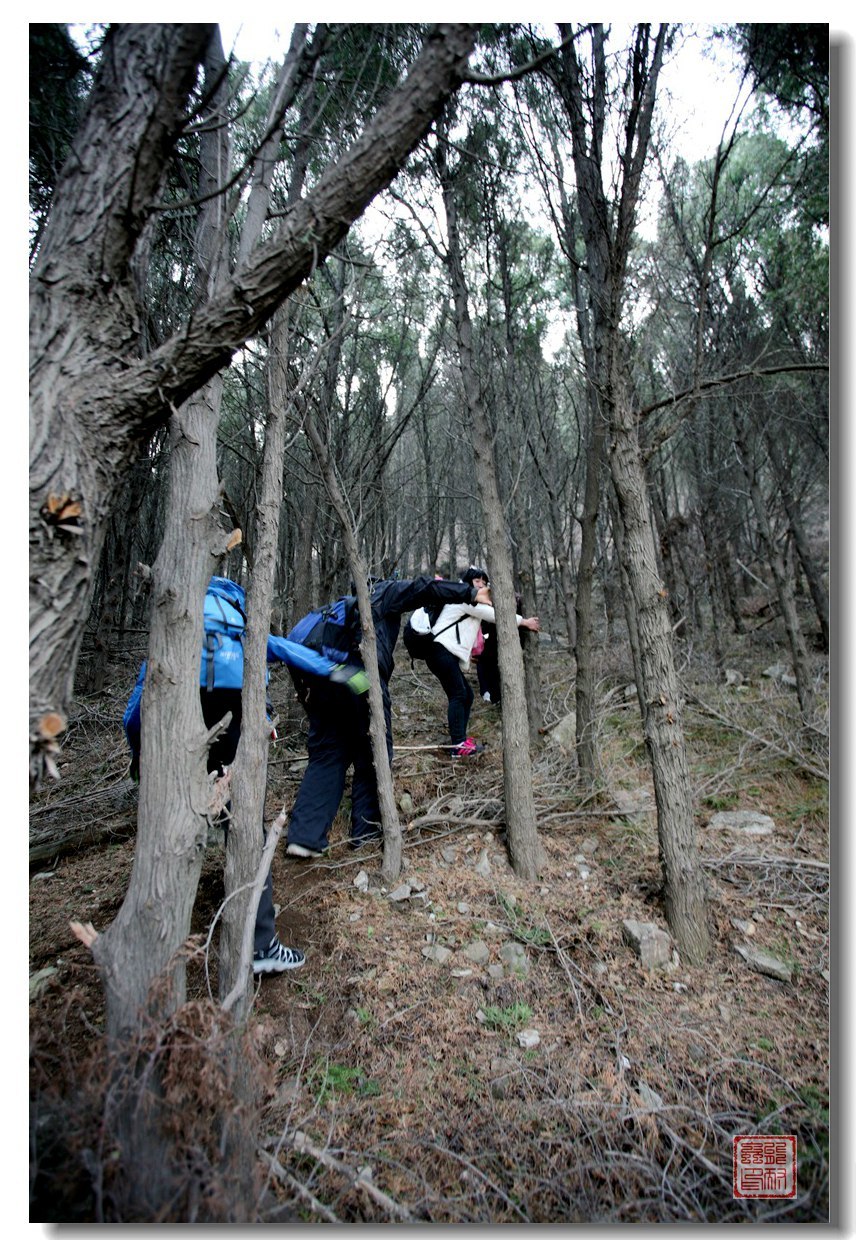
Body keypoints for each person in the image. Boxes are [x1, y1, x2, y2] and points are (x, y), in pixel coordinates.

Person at [123, 577, 361, 975]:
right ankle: (261, 943)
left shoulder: (181, 627)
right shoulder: (239, 627)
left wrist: (139, 757)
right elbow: (292, 653)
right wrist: (349, 675)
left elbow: (137, 703)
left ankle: (153, 949)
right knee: (245, 823)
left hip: (180, 727)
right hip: (232, 723)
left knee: (170, 828)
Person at [284, 573, 492, 858]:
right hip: (358, 678)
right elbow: (424, 589)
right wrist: (470, 593)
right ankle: (366, 836)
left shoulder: (336, 609)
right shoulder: (382, 593)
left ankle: (304, 838)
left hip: (320, 680)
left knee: (327, 755)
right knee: (374, 751)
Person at [404, 567, 540, 756]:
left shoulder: (464, 598)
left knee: (466, 694)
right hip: (439, 650)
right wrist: (525, 622)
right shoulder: (464, 598)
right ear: (468, 582)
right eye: (477, 582)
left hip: (442, 652)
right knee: (459, 694)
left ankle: (460, 741)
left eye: (484, 583)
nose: (481, 586)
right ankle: (458, 746)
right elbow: (494, 615)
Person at [475, 592, 528, 707]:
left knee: (494, 667)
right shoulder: (490, 603)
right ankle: (491, 694)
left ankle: (495, 696)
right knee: (488, 665)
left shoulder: (517, 603)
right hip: (491, 642)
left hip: (506, 643)